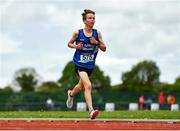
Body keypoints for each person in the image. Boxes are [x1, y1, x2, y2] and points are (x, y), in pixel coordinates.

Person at [66, 9, 106, 119]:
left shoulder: (97, 33)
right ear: (84, 20)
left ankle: (71, 94)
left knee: (80, 86)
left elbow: (104, 48)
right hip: (79, 63)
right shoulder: (78, 33)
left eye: (93, 18)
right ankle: (91, 111)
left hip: (90, 65)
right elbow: (69, 43)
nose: (92, 20)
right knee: (88, 86)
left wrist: (97, 42)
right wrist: (76, 46)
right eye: (90, 18)